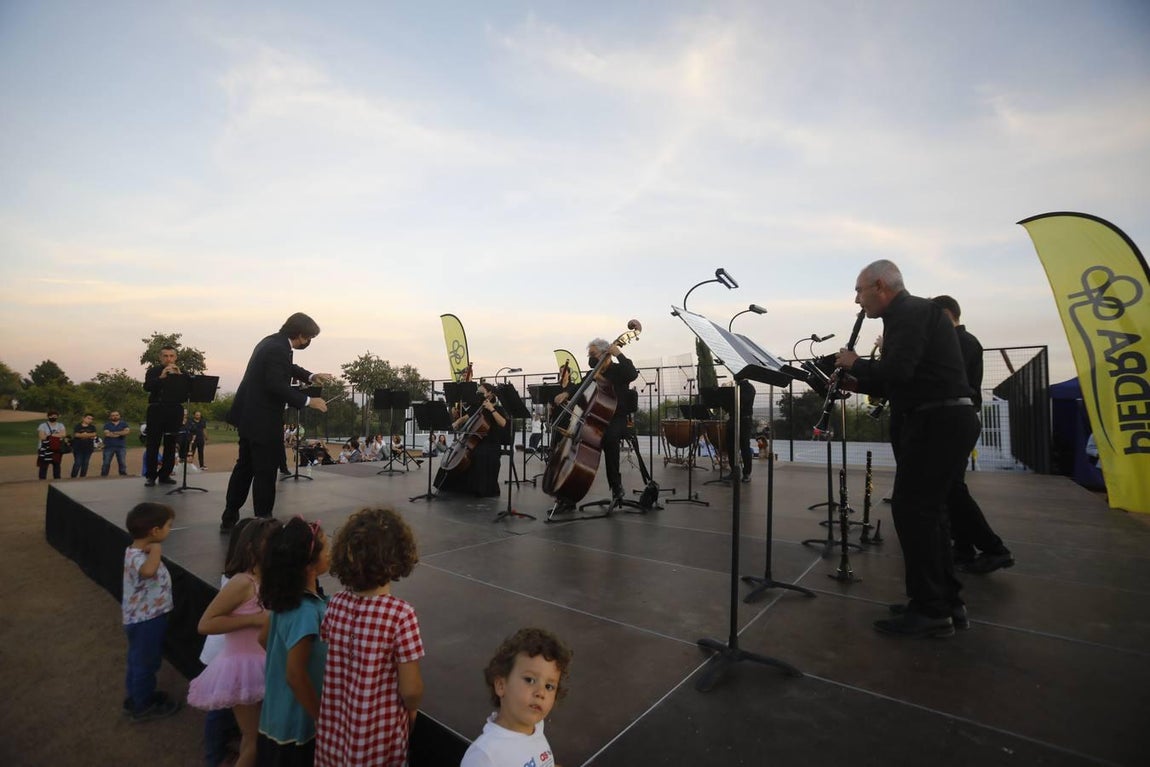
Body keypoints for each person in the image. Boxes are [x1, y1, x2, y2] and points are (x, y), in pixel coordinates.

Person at [834, 260, 980, 638]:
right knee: (930, 515)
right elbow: (906, 380)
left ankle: (930, 609)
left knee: (914, 512)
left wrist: (856, 362)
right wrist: (856, 383)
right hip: (943, 419)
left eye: (859, 291)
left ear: (879, 286)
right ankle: (946, 602)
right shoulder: (915, 314)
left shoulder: (908, 313)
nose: (857, 300)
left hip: (938, 422)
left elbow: (898, 372)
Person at [316, 508, 424, 766]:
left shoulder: (336, 604)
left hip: (335, 733)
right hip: (377, 741)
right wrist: (413, 711)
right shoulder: (401, 615)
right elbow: (410, 690)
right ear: (398, 558)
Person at [220, 313, 333, 533]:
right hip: (263, 419)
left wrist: (310, 376)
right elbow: (276, 385)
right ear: (300, 334)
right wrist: (309, 401)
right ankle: (264, 521)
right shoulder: (278, 348)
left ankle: (229, 516)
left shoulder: (271, 342)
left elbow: (287, 368)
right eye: (308, 338)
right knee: (265, 471)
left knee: (244, 468)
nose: (308, 342)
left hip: (248, 416)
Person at [931, 295, 1014, 575]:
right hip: (953, 420)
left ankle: (994, 549)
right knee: (951, 487)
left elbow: (948, 379)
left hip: (955, 420)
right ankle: (964, 548)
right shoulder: (957, 341)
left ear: (947, 313)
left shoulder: (962, 342)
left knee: (951, 488)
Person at [189, 517, 280, 767]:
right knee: (253, 741)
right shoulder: (242, 582)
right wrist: (252, 620)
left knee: (259, 734)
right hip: (242, 667)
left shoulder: (265, 581)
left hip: (262, 663)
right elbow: (206, 623)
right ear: (253, 548)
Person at [257, 516, 330, 765]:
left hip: (275, 716)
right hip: (297, 727)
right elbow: (295, 675)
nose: (330, 552)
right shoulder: (307, 612)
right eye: (326, 547)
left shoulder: (285, 600)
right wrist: (321, 716)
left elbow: (263, 638)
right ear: (309, 564)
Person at [460, 627, 573, 767]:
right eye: (530, 680)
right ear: (501, 685)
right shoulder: (485, 756)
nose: (541, 693)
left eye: (549, 687)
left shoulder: (536, 727)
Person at [197, 519, 256, 767]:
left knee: (231, 711)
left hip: (232, 655)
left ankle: (227, 748)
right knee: (219, 710)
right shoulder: (239, 582)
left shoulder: (236, 576)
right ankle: (214, 756)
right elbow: (208, 622)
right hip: (227, 656)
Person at [122, 502, 183, 722]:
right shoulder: (139, 556)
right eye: (168, 526)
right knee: (146, 662)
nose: (170, 530)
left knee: (138, 659)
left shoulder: (135, 551)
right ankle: (142, 705)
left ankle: (137, 695)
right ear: (155, 531)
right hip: (146, 620)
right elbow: (148, 571)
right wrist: (156, 550)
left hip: (144, 617)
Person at [439, 382, 511, 497]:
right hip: (477, 441)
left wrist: (491, 409)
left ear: (490, 394)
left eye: (481, 393)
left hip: (491, 443)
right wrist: (457, 421)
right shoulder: (478, 408)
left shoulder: (498, 408)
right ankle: (454, 487)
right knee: (452, 455)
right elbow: (466, 417)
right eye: (477, 393)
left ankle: (479, 489)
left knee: (478, 455)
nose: (478, 395)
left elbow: (503, 423)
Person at [143, 346, 184, 487]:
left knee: (171, 443)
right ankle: (150, 476)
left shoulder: (181, 372)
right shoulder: (153, 371)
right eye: (165, 356)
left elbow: (187, 391)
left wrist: (179, 377)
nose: (169, 359)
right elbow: (147, 387)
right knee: (153, 443)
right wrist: (161, 377)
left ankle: (165, 475)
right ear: (160, 358)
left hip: (174, 410)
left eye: (171, 356)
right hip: (156, 409)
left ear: (175, 357)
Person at [724, 380, 756, 482]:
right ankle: (734, 471)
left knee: (744, 446)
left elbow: (742, 401)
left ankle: (746, 473)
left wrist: (731, 396)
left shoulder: (749, 388)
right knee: (731, 447)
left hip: (744, 420)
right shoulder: (735, 388)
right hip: (733, 419)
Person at [36, 409, 67, 480]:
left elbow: (63, 434)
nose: (54, 417)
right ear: (48, 417)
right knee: (43, 466)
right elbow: (42, 437)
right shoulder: (42, 425)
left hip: (56, 449)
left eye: (55, 416)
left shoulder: (60, 425)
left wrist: (50, 435)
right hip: (44, 449)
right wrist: (57, 434)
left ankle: (57, 480)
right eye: (52, 416)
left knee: (57, 465)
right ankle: (42, 481)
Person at [101, 410, 131, 477]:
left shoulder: (124, 424)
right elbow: (107, 434)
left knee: (122, 463)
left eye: (116, 415)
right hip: (108, 446)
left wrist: (114, 432)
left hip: (121, 446)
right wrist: (120, 433)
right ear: (110, 417)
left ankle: (123, 475)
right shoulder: (107, 425)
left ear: (119, 416)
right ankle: (103, 476)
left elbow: (127, 432)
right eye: (113, 415)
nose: (115, 416)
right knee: (106, 463)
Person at [71, 412, 98, 478]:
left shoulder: (92, 427)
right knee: (77, 463)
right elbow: (76, 435)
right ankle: (73, 477)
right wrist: (88, 435)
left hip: (88, 448)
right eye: (88, 418)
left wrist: (83, 435)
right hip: (78, 448)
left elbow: (94, 434)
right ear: (83, 418)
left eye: (91, 419)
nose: (90, 420)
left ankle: (82, 477)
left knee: (85, 464)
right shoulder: (78, 426)